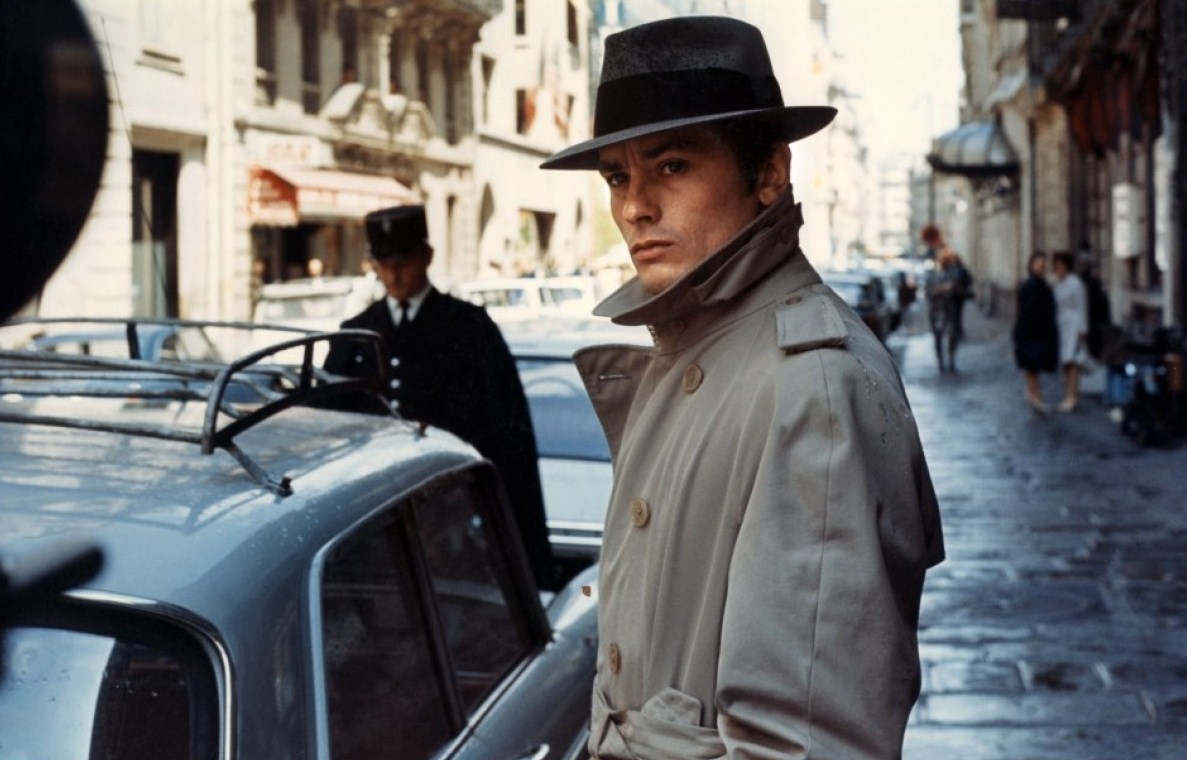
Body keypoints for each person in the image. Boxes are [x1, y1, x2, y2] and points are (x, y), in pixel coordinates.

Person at [540, 17, 944, 759]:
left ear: (768, 174)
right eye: (617, 177)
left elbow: (809, 743)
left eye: (671, 166)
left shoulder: (814, 386)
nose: (633, 206)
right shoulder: (698, 345)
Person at [322, 205, 555, 589]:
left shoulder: (469, 327)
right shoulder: (356, 334)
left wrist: (526, 550)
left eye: (403, 262)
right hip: (373, 518)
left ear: (426, 257)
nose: (393, 274)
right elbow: (328, 427)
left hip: (453, 514)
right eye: (383, 264)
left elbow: (509, 434)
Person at [1013, 251, 1060, 413]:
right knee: (1032, 366)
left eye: (1043, 264)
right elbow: (1029, 310)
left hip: (1035, 331)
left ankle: (1033, 395)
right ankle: (1036, 397)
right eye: (1039, 264)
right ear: (1032, 265)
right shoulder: (1032, 285)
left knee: (1032, 366)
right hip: (1032, 331)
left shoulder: (1038, 283)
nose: (1041, 267)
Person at [1051, 250, 1089, 412]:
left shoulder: (1075, 283)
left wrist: (1083, 329)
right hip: (1062, 325)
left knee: (1073, 362)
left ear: (1067, 266)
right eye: (1056, 266)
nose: (1058, 269)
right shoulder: (1058, 284)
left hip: (1074, 325)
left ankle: (1073, 397)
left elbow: (1081, 306)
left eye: (1060, 266)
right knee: (1065, 362)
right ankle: (1067, 395)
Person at [925, 248, 966, 373]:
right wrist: (942, 288)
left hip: (950, 309)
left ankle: (951, 360)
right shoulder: (932, 275)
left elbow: (960, 291)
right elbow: (928, 293)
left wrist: (954, 287)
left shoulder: (953, 274)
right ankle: (940, 362)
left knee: (952, 335)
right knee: (938, 336)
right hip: (937, 310)